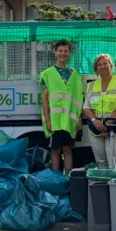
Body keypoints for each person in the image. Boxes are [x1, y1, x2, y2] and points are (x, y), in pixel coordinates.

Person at [40, 39, 83, 173]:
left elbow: (78, 98)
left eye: (66, 51)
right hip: (55, 121)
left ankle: (69, 179)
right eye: (60, 51)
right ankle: (56, 179)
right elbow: (45, 100)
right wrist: (47, 120)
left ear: (69, 54)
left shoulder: (74, 74)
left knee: (68, 150)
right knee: (55, 151)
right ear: (55, 53)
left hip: (69, 121)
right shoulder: (47, 74)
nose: (63, 53)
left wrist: (79, 118)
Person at [82, 54, 116, 170]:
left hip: (115, 128)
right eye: (99, 65)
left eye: (105, 63)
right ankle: (104, 187)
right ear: (96, 69)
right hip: (96, 129)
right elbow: (86, 107)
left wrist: (107, 123)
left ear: (111, 66)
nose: (103, 66)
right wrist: (95, 121)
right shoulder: (91, 86)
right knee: (101, 163)